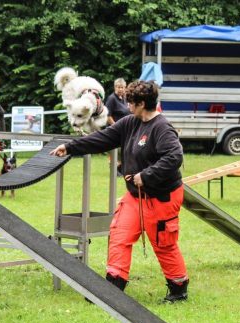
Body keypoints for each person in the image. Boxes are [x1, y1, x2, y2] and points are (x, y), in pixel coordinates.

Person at [50, 80, 189, 303]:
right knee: (119, 235)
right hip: (135, 197)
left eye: (131, 102)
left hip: (162, 197)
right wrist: (70, 147)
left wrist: (146, 175)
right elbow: (102, 139)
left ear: (142, 103)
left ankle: (178, 288)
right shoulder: (129, 123)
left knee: (163, 244)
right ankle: (112, 289)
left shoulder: (162, 128)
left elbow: (174, 157)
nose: (126, 105)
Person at [105, 78, 130, 176]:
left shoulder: (124, 99)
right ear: (115, 87)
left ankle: (120, 169)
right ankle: (114, 170)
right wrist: (116, 126)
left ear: (125, 88)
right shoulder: (112, 99)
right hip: (114, 130)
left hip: (123, 130)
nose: (120, 89)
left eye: (122, 87)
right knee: (116, 151)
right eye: (118, 87)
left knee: (123, 151)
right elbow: (108, 116)